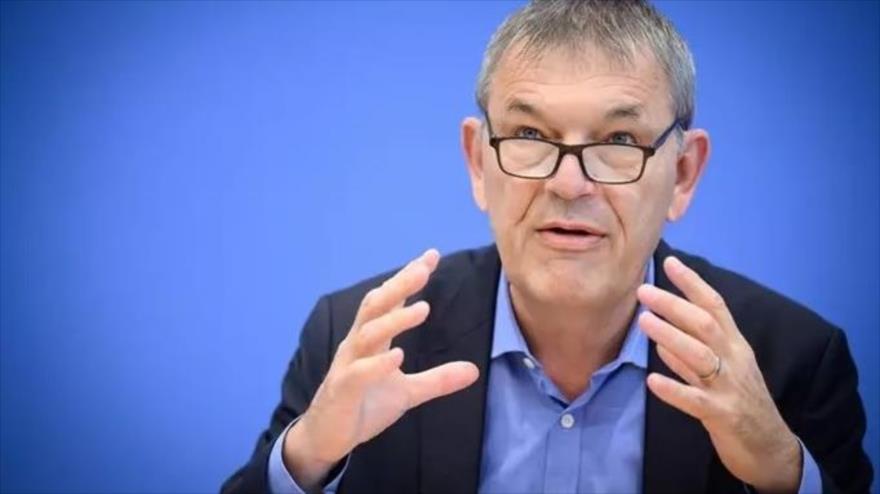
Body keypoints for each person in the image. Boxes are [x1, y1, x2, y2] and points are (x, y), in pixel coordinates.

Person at [222, 1, 873, 492]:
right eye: (530, 132)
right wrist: (308, 456)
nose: (569, 183)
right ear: (479, 161)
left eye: (618, 142)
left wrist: (785, 476)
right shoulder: (362, 339)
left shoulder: (792, 361)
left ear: (682, 173)